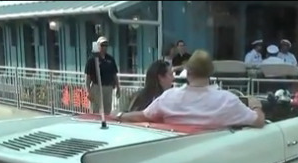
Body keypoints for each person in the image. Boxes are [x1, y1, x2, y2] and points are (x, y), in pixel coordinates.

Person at [112, 50, 265, 128]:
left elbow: (143, 116)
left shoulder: (169, 97)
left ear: (188, 72)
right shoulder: (228, 100)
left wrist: (118, 115)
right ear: (210, 72)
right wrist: (256, 105)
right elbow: (258, 121)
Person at [84, 36, 120, 114]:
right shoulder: (92, 59)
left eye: (106, 45)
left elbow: (114, 74)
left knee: (107, 109)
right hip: (96, 87)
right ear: (98, 45)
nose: (104, 47)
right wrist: (88, 91)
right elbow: (87, 77)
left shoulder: (110, 59)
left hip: (108, 88)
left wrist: (118, 87)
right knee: (96, 110)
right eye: (102, 45)